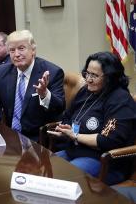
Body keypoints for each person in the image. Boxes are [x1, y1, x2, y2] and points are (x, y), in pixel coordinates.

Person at [47, 51, 136, 185]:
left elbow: (107, 140)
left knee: (63, 178)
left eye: (94, 75)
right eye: (87, 73)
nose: (88, 79)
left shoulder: (120, 100)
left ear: (110, 77)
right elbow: (67, 117)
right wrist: (64, 130)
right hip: (74, 151)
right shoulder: (85, 91)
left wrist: (75, 135)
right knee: (43, 167)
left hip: (105, 161)